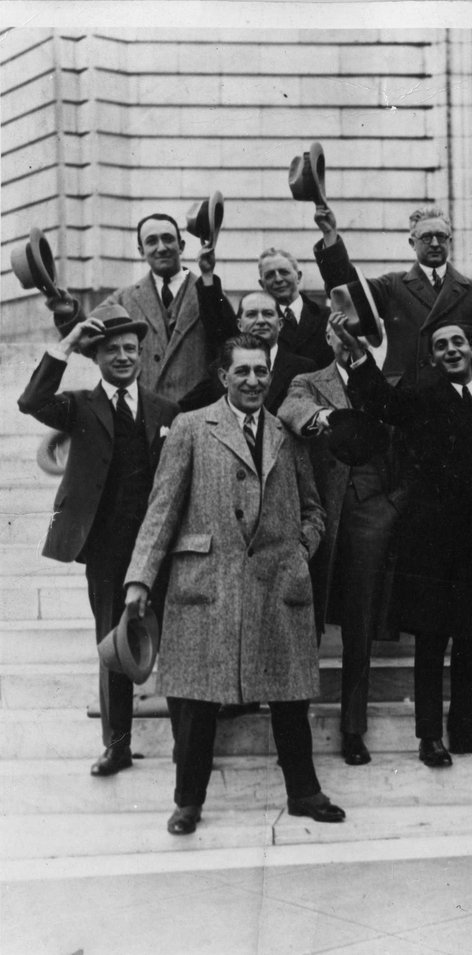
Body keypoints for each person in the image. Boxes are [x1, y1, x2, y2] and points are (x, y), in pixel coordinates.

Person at [124, 334, 344, 834]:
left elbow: (313, 508)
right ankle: (188, 802)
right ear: (223, 376)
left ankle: (304, 792)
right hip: (209, 582)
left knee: (289, 697)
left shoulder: (287, 432)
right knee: (199, 699)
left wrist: (300, 550)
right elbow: (162, 509)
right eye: (242, 371)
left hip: (277, 582)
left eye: (261, 371)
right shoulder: (191, 427)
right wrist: (140, 579)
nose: (252, 380)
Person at [332, 315, 472, 767]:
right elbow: (382, 402)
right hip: (433, 541)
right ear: (433, 357)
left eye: (458, 342)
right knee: (432, 640)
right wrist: (358, 356)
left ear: (471, 349)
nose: (452, 349)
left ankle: (467, 728)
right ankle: (430, 737)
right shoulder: (422, 397)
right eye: (441, 345)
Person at [17, 306, 179, 776]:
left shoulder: (165, 410)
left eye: (130, 348)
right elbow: (31, 401)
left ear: (141, 354)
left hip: (158, 545)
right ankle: (117, 746)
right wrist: (68, 343)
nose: (123, 356)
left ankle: (185, 742)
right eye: (112, 350)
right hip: (106, 549)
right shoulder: (78, 405)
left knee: (177, 643)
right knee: (113, 646)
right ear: (97, 357)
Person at [277, 322, 399, 766]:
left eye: (359, 334)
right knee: (304, 622)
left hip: (371, 514)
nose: (349, 342)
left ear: (374, 339)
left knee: (359, 625)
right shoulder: (308, 381)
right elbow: (292, 409)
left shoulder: (387, 384)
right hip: (319, 512)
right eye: (339, 333)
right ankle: (294, 729)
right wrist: (325, 419)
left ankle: (353, 728)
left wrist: (392, 505)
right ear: (327, 339)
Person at [313, 204, 472, 384]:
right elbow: (346, 289)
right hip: (405, 394)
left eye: (441, 236)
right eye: (426, 237)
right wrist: (330, 233)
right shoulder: (393, 285)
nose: (435, 243)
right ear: (412, 243)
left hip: (455, 392)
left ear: (450, 241)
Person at [58, 213, 216, 402]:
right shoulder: (124, 298)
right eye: (151, 241)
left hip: (197, 413)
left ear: (181, 246)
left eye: (168, 239)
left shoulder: (209, 291)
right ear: (141, 251)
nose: (161, 248)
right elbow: (85, 336)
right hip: (145, 416)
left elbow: (230, 346)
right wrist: (67, 311)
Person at [178, 290, 316, 414]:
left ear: (280, 324)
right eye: (251, 314)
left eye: (268, 314)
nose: (260, 321)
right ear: (239, 325)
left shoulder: (304, 368)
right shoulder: (220, 368)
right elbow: (183, 408)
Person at [258, 247, 335, 367]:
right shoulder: (258, 323)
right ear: (262, 284)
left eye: (284, 272)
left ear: (298, 277)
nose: (278, 279)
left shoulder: (327, 316)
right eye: (270, 275)